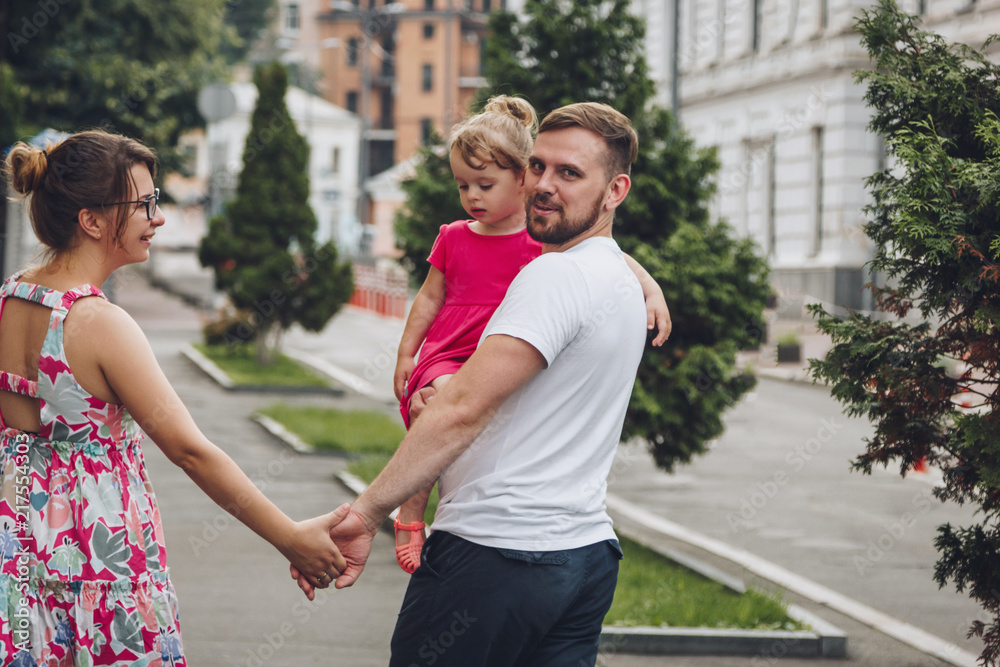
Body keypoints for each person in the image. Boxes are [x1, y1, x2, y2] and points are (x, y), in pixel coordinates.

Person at [294, 102, 654, 666]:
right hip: (583, 560)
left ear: (615, 191)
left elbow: (460, 408)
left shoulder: (553, 275)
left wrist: (364, 515)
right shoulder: (620, 280)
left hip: (498, 554)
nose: (543, 185)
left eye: (570, 173)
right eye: (538, 166)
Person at [0, 130, 346, 666]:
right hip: (97, 558)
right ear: (92, 221)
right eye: (144, 204)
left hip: (17, 549)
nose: (157, 217)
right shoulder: (97, 323)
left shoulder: (9, 297)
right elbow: (190, 451)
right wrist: (290, 536)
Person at [389, 96, 670, 575]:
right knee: (433, 403)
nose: (473, 195)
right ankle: (412, 510)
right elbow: (429, 299)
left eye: (485, 183)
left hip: (498, 533)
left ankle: (409, 508)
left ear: (518, 180)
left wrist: (652, 289)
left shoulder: (543, 249)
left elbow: (614, 253)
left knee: (450, 410)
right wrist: (405, 355)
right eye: (463, 185)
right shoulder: (458, 235)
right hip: (453, 349)